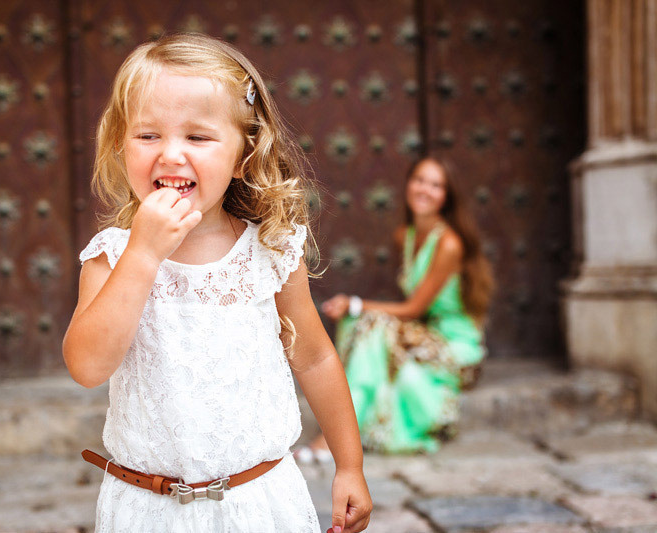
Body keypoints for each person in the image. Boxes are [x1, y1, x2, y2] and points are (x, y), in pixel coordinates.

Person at [62, 33, 371, 533]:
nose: (171, 154)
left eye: (198, 137)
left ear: (244, 155)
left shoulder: (270, 251)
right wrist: (143, 254)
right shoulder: (112, 257)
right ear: (121, 145)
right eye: (148, 135)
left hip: (260, 503)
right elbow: (87, 367)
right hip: (149, 510)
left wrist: (349, 465)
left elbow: (314, 358)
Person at [299, 157, 494, 458]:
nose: (425, 189)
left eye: (436, 185)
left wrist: (355, 304)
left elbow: (414, 308)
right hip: (425, 336)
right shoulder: (406, 236)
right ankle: (342, 429)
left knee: (370, 322)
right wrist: (356, 311)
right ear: (408, 184)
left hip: (455, 349)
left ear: (447, 196)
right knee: (361, 324)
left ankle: (334, 438)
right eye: (420, 180)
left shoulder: (449, 244)